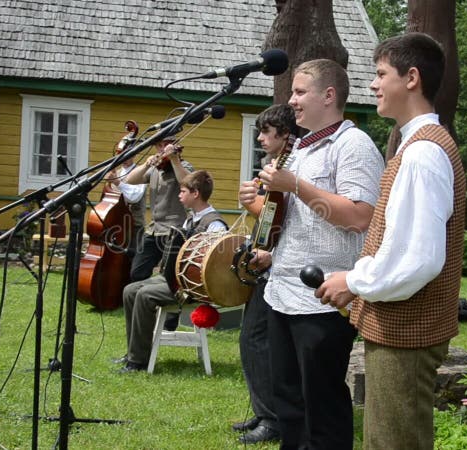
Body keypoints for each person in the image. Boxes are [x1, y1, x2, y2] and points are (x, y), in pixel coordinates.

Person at [314, 32, 466, 450]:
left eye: (381, 74)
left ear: (411, 77)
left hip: (408, 333)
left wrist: (355, 281)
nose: (373, 84)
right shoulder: (417, 146)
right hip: (403, 328)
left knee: (393, 443)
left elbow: (418, 259)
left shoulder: (422, 154)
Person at [252, 59, 384, 449]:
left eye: (299, 91)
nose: (291, 101)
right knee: (290, 405)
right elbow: (304, 222)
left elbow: (359, 217)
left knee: (322, 408)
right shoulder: (300, 148)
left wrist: (294, 184)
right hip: (282, 291)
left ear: (329, 95)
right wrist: (265, 231)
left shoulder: (353, 145)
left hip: (324, 297)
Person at [233, 104, 299, 444]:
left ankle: (271, 418)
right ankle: (264, 412)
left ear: (284, 135)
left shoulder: (291, 166)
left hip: (287, 268)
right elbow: (275, 219)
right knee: (254, 338)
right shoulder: (277, 166)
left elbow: (289, 222)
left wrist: (252, 204)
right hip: (274, 260)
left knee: (255, 339)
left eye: (264, 131)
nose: (259, 138)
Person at [117, 170, 227, 373]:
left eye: (182, 191)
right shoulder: (190, 220)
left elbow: (217, 265)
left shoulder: (215, 224)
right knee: (130, 290)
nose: (179, 194)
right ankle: (134, 351)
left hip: (194, 289)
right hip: (177, 281)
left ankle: (138, 362)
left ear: (195, 194)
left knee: (144, 294)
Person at [121, 135, 193, 334]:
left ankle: (171, 319)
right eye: (159, 145)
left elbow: (187, 182)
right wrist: (145, 165)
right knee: (137, 272)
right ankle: (144, 314)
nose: (162, 148)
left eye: (166, 145)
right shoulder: (155, 168)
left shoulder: (184, 165)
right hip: (153, 229)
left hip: (175, 230)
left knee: (171, 276)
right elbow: (129, 179)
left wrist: (175, 160)